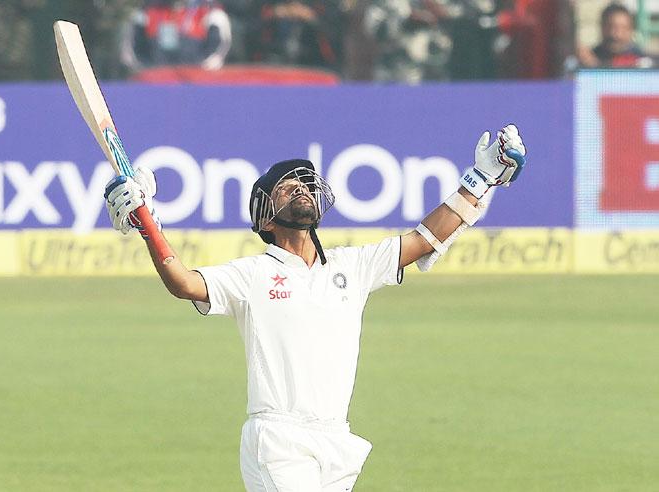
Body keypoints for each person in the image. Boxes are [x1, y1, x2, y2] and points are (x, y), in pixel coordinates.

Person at [103, 125, 526, 490]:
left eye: (305, 183)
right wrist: (148, 226)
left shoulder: (352, 265)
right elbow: (184, 282)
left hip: (335, 440)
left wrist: (481, 178)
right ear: (266, 218)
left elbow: (425, 238)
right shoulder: (253, 274)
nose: (301, 189)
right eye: (288, 188)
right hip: (278, 439)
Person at [120, 0, 232, 73]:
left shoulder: (210, 9)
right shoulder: (146, 10)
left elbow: (219, 48)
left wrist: (196, 71)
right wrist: (150, 70)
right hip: (156, 83)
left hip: (198, 82)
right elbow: (132, 48)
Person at [578, 2, 652, 69]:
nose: (617, 34)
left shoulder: (642, 60)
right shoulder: (589, 58)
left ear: (631, 29)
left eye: (623, 28)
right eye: (611, 27)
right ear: (602, 27)